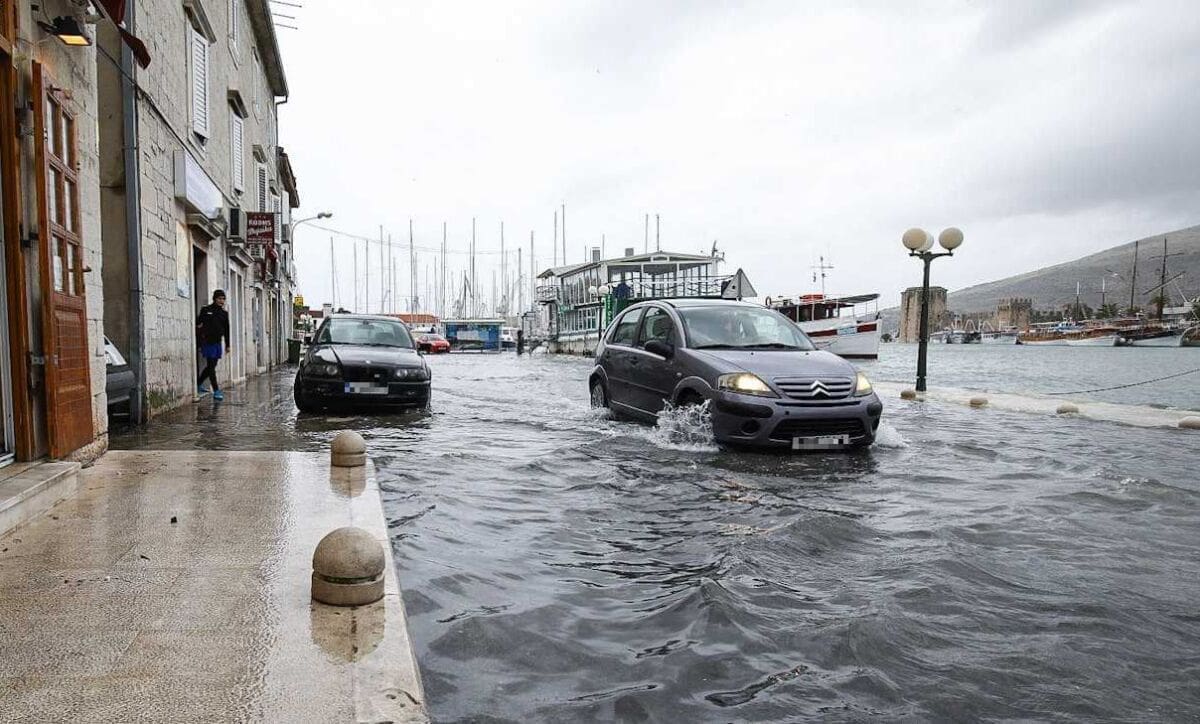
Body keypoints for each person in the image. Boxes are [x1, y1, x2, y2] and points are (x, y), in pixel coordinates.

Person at [196, 290, 231, 401]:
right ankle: (216, 390)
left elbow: (227, 330)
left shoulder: (224, 314)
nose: (222, 301)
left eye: (223, 299)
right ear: (215, 298)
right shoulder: (206, 310)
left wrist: (227, 344)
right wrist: (200, 338)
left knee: (212, 366)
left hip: (217, 343)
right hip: (207, 342)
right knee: (211, 366)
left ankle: (198, 383)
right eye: (220, 298)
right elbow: (198, 323)